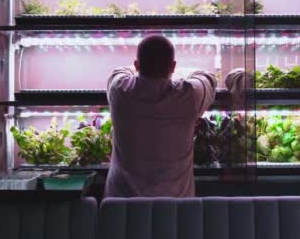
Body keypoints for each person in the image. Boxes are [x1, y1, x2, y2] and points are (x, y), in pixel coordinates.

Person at [105, 35, 246, 197]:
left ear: (137, 65)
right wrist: (182, 72)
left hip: (121, 203)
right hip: (175, 206)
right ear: (173, 66)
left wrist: (143, 65)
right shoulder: (189, 95)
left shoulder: (119, 90)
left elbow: (120, 71)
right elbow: (208, 78)